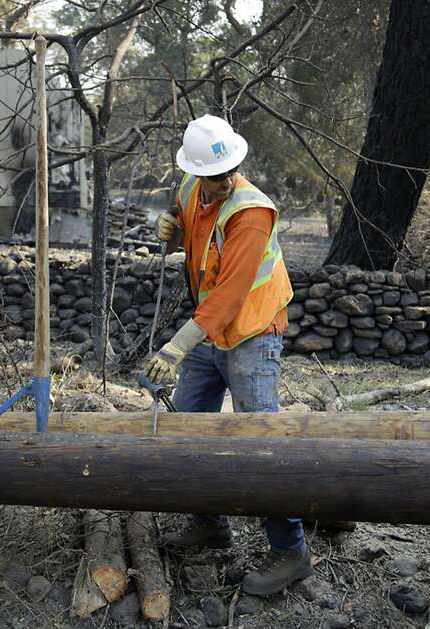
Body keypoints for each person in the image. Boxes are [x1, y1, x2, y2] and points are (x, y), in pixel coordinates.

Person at [144, 114, 310, 596]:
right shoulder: (192, 186)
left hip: (251, 332)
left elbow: (232, 294)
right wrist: (173, 228)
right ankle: (210, 523)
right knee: (188, 429)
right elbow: (190, 230)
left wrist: (177, 347)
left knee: (263, 442)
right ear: (196, 171)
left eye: (228, 172)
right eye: (212, 175)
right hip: (210, 330)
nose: (222, 181)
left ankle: (291, 550)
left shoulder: (252, 212)